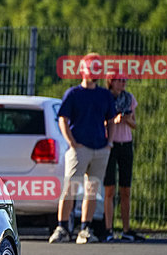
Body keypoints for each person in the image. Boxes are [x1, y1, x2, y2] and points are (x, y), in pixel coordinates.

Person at [49, 53, 117, 244]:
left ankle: (85, 229)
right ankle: (62, 228)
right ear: (83, 70)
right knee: (71, 188)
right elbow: (63, 119)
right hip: (79, 148)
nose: (94, 72)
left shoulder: (104, 95)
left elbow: (111, 120)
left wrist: (109, 143)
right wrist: (71, 142)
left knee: (92, 189)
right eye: (92, 67)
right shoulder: (73, 94)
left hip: (100, 148)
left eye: (97, 68)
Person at [104, 73, 144, 242]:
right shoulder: (106, 98)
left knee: (126, 189)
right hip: (110, 144)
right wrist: (114, 120)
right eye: (120, 81)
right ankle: (108, 229)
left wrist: (127, 120)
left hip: (126, 144)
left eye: (125, 80)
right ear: (111, 82)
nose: (123, 83)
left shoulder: (129, 99)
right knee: (109, 189)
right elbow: (102, 121)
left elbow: (135, 123)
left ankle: (126, 229)